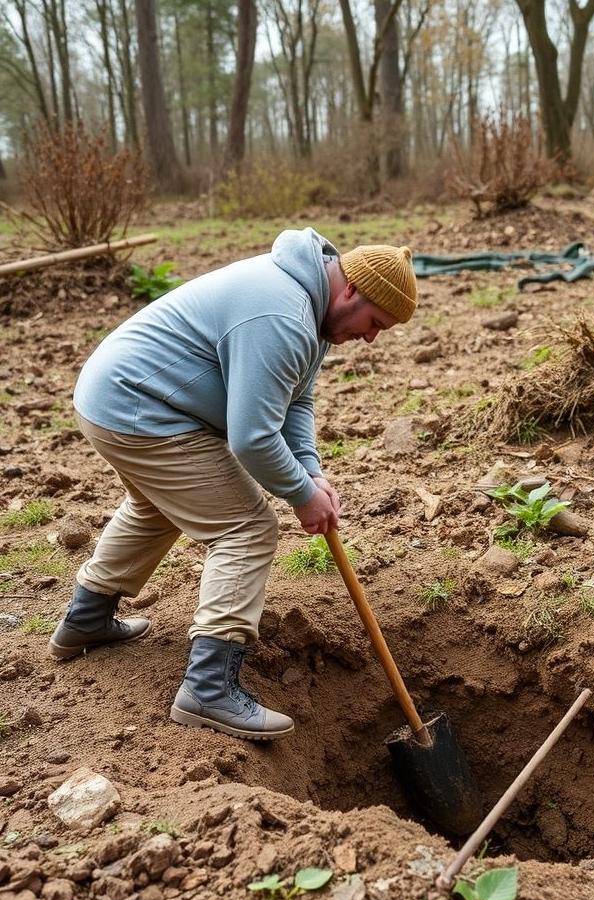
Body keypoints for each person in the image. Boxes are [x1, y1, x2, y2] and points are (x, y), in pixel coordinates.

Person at [48, 228, 417, 741]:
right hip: (138, 407)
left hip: (121, 397)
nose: (372, 338)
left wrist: (311, 472)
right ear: (351, 291)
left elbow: (296, 403)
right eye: (375, 323)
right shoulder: (282, 316)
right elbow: (252, 438)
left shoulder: (311, 309)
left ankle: (85, 620)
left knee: (158, 507)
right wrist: (301, 497)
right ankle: (209, 689)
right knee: (247, 529)